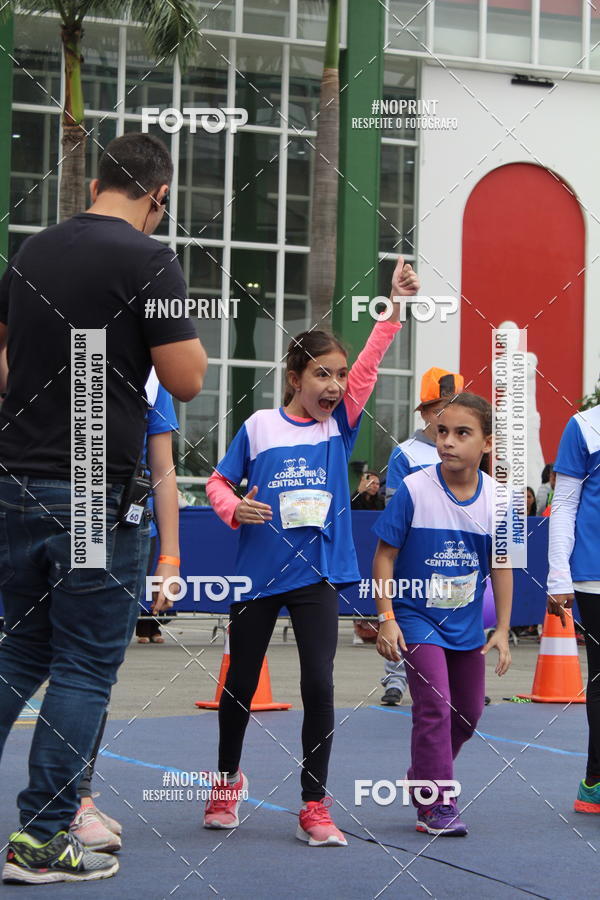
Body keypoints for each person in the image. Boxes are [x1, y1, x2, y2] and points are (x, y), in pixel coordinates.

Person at [0, 132, 206, 884]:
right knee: (84, 665)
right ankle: (42, 836)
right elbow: (184, 378)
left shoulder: (31, 253)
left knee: (18, 653)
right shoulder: (149, 259)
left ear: (95, 183)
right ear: (160, 195)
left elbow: (4, 361)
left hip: (17, 478)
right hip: (93, 485)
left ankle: (44, 828)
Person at [202, 256, 419, 846]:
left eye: (340, 375)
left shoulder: (340, 425)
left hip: (318, 576)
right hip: (258, 577)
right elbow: (217, 483)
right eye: (322, 374)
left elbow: (373, 366)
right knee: (239, 685)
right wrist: (232, 507)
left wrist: (392, 305)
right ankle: (225, 785)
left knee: (319, 687)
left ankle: (314, 805)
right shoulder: (258, 427)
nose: (335, 385)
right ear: (295, 376)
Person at [372, 392, 512, 836]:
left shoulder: (499, 500)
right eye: (442, 432)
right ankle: (437, 801)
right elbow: (384, 556)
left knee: (467, 714)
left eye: (462, 433)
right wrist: (387, 616)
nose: (448, 441)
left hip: (467, 624)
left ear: (486, 443)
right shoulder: (415, 489)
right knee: (433, 706)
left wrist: (504, 629)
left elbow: (502, 566)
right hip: (417, 618)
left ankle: (424, 777)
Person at [71, 373, 181, 852]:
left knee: (94, 669)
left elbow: (163, 467)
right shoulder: (68, 340)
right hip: (62, 507)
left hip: (122, 520)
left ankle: (76, 798)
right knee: (61, 664)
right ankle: (68, 801)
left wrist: (170, 557)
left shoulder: (156, 372)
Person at [379, 367, 464, 707]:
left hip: (455, 548)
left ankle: (457, 678)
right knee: (405, 611)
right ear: (427, 412)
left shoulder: (468, 450)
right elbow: (394, 505)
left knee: (456, 610)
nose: (450, 414)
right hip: (414, 550)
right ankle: (395, 677)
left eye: (457, 406)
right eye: (443, 407)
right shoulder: (406, 453)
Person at [547, 403, 600, 813]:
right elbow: (563, 503)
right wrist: (558, 577)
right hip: (593, 573)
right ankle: (596, 782)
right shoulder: (584, 425)